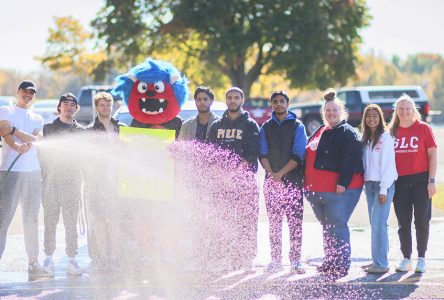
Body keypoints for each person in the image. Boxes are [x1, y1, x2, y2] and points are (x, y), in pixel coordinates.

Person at [304, 88, 364, 279]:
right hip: (317, 190)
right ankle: (330, 262)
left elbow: (353, 158)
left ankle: (341, 264)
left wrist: (343, 183)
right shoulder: (321, 130)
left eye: (334, 110)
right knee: (328, 227)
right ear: (323, 113)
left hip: (339, 190)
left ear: (342, 112)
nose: (331, 113)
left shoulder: (347, 132)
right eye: (327, 111)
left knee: (337, 226)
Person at [0, 80, 51, 280]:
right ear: (18, 91)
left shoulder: (37, 117)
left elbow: (37, 138)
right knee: (3, 220)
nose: (28, 95)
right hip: (9, 172)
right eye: (25, 91)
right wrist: (15, 142)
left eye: (32, 93)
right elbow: (4, 132)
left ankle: (33, 263)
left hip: (32, 172)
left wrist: (16, 132)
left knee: (31, 219)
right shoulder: (6, 110)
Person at [207, 87, 260, 270]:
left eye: (236, 97)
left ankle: (246, 258)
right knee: (223, 220)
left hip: (244, 183)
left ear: (242, 100)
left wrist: (233, 173)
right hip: (221, 183)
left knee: (246, 220)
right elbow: (210, 155)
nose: (232, 101)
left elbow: (252, 155)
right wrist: (222, 175)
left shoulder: (251, 125)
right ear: (226, 100)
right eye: (229, 98)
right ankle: (224, 257)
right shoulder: (216, 126)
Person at [259, 91, 307, 273]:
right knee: (274, 223)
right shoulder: (265, 127)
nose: (278, 104)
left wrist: (280, 174)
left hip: (292, 181)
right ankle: (275, 259)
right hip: (271, 181)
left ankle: (295, 260)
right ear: (272, 105)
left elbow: (298, 154)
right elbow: (262, 154)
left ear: (288, 103)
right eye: (275, 102)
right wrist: (272, 174)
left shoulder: (297, 126)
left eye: (281, 101)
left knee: (295, 222)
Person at [389, 94, 437, 273]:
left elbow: (432, 154)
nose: (404, 111)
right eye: (400, 108)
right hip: (399, 182)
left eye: (407, 108)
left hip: (421, 180)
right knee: (403, 222)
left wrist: (432, 181)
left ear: (413, 110)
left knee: (422, 221)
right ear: (396, 111)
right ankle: (406, 258)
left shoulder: (424, 128)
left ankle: (422, 258)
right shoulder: (391, 131)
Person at [41, 93, 84, 276]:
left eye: (72, 104)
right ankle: (48, 258)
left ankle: (72, 260)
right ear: (59, 107)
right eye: (65, 103)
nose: (68, 107)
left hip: (72, 183)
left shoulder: (81, 131)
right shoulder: (48, 129)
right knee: (50, 222)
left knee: (70, 223)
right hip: (51, 183)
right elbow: (41, 156)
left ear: (76, 108)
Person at [360, 104, 398, 274]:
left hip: (384, 186)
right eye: (368, 116)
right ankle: (378, 260)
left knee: (378, 225)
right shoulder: (366, 139)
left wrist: (383, 189)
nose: (372, 119)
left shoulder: (386, 138)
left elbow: (389, 166)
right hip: (370, 186)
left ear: (380, 117)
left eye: (375, 115)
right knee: (376, 225)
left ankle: (381, 264)